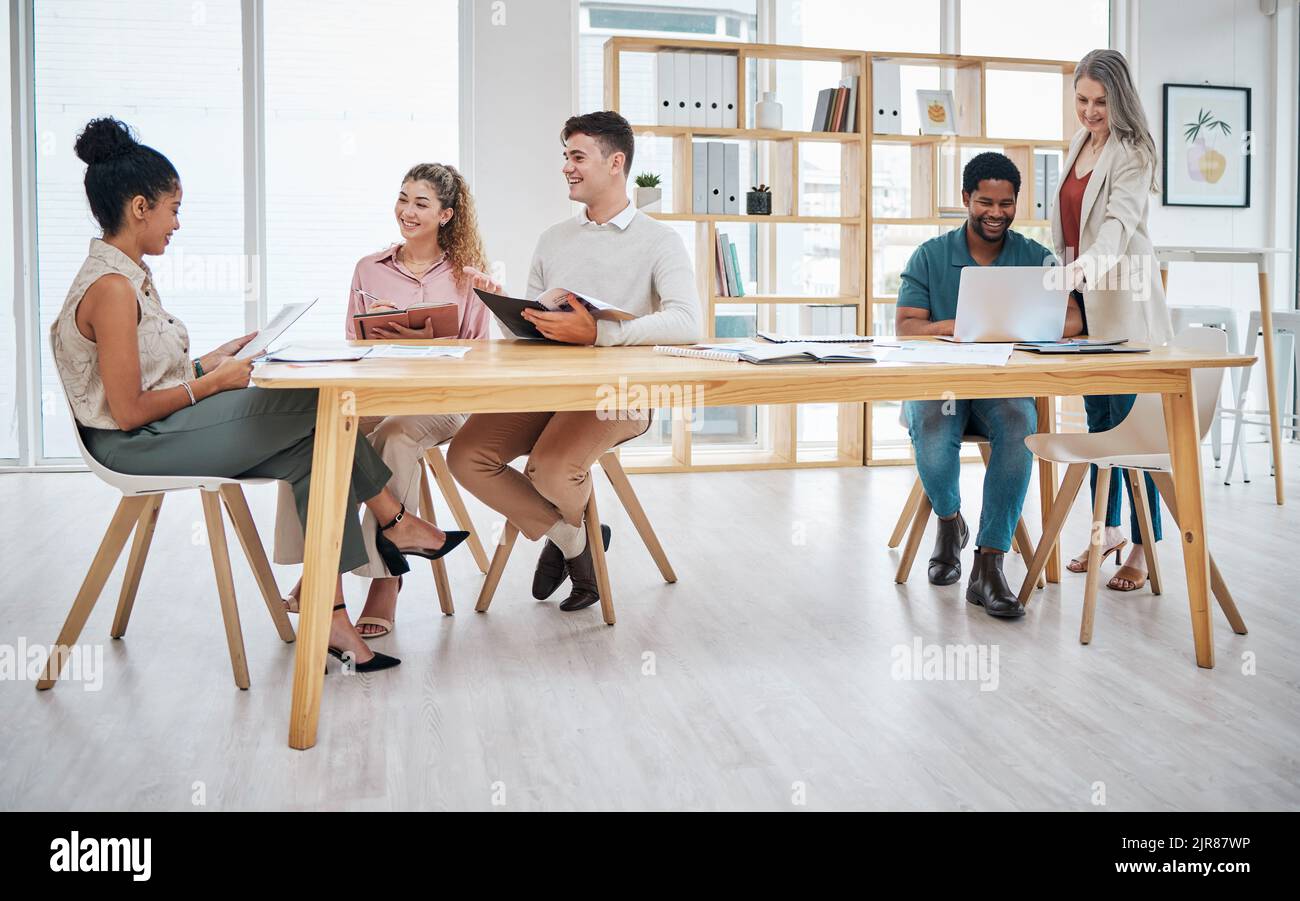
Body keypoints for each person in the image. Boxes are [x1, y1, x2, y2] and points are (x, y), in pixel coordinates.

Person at [54, 117, 464, 673]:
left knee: (315, 453)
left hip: (156, 429)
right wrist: (212, 383)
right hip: (133, 444)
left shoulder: (129, 277)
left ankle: (332, 616)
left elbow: (143, 377)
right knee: (321, 405)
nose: (178, 222)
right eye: (174, 208)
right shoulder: (110, 287)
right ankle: (395, 520)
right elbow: (126, 411)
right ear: (139, 207)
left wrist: (209, 361)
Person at [447, 110, 701, 612]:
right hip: (546, 391)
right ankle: (575, 541)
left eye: (577, 156)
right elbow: (536, 331)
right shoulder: (553, 239)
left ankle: (569, 543)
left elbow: (687, 322)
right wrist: (505, 310)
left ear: (616, 162)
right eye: (565, 156)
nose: (567, 166)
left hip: (617, 397)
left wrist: (601, 333)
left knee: (552, 468)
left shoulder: (660, 241)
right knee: (466, 455)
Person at [274, 162, 498, 637]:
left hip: (443, 402)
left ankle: (385, 580)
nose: (407, 211)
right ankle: (323, 571)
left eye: (421, 203)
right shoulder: (368, 269)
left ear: (446, 215)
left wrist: (470, 318)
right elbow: (349, 350)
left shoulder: (469, 279)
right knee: (313, 435)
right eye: (403, 199)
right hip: (378, 393)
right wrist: (378, 331)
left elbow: (481, 361)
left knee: (397, 433)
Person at [896, 152, 1083, 619]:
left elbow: (1076, 319)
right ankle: (948, 521)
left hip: (1001, 388)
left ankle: (990, 563)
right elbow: (905, 326)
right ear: (965, 199)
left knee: (1022, 421)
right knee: (935, 436)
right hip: (941, 389)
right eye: (985, 202)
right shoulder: (930, 255)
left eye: (1006, 203)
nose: (995, 212)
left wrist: (1023, 324)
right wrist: (958, 326)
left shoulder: (1035, 256)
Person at [1052, 49, 1174, 592]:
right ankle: (1109, 530)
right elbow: (1069, 221)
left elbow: (1119, 227)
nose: (1090, 111)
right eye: (1082, 100)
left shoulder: (1133, 151)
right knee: (1098, 425)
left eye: (1100, 101)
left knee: (1129, 431)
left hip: (1122, 302)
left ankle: (1146, 549)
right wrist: (1064, 274)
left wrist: (1079, 269)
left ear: (1119, 99)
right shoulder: (1080, 143)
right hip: (1085, 300)